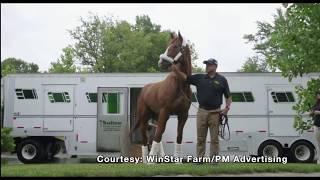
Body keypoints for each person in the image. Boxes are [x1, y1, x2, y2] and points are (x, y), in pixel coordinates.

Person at [171, 58, 232, 163]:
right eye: (206, 64)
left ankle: (214, 160)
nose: (207, 66)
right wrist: (176, 71)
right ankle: (200, 159)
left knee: (214, 139)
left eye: (209, 65)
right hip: (202, 112)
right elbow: (186, 78)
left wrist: (227, 109)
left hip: (215, 113)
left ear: (215, 66)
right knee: (200, 138)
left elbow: (228, 96)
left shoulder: (222, 80)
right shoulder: (200, 78)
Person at [311, 90, 320, 164]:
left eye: (319, 94)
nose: (318, 95)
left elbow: (317, 112)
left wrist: (318, 112)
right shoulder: (316, 103)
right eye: (317, 94)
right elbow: (313, 111)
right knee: (317, 143)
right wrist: (312, 112)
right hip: (316, 125)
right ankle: (319, 160)